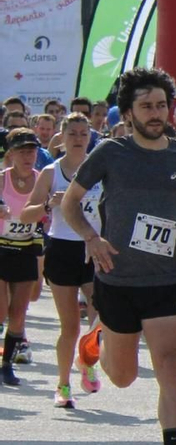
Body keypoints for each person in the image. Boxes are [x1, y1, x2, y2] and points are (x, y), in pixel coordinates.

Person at [62, 67, 176, 445]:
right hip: (117, 280)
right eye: (146, 106)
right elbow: (70, 203)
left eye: (161, 105)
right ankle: (93, 342)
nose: (156, 114)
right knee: (122, 378)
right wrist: (92, 238)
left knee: (169, 366)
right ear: (128, 112)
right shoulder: (110, 154)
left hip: (165, 281)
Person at [34, 115, 100, 404]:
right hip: (62, 248)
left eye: (83, 133)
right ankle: (63, 385)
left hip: (93, 247)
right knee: (70, 326)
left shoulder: (100, 169)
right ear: (62, 136)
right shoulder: (51, 171)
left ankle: (86, 360)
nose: (77, 138)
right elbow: (27, 212)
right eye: (72, 133)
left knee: (103, 316)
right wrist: (50, 203)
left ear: (90, 137)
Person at [0, 129, 47, 387]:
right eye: (22, 150)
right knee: (0, 310)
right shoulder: (2, 180)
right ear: (11, 154)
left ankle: (6, 365)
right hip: (1, 248)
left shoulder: (42, 180)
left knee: (19, 313)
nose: (28, 155)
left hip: (28, 248)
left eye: (32, 150)